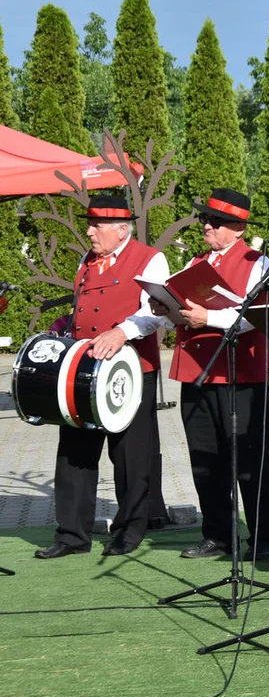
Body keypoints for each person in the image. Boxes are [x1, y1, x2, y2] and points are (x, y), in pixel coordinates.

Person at [34, 196, 167, 559]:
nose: (89, 232)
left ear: (121, 229)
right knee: (74, 451)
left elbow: (159, 313)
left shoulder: (150, 258)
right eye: (89, 224)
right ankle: (72, 535)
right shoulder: (87, 259)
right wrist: (62, 327)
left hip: (129, 370)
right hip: (83, 370)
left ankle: (129, 530)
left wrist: (121, 332)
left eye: (97, 226)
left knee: (129, 455)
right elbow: (82, 306)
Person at [162, 188, 269, 561]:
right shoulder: (196, 260)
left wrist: (207, 318)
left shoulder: (256, 262)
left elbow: (253, 315)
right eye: (205, 219)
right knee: (204, 460)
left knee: (250, 462)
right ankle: (217, 533)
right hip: (197, 371)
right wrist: (164, 305)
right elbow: (180, 303)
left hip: (240, 373)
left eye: (214, 221)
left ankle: (264, 538)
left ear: (237, 228)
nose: (206, 226)